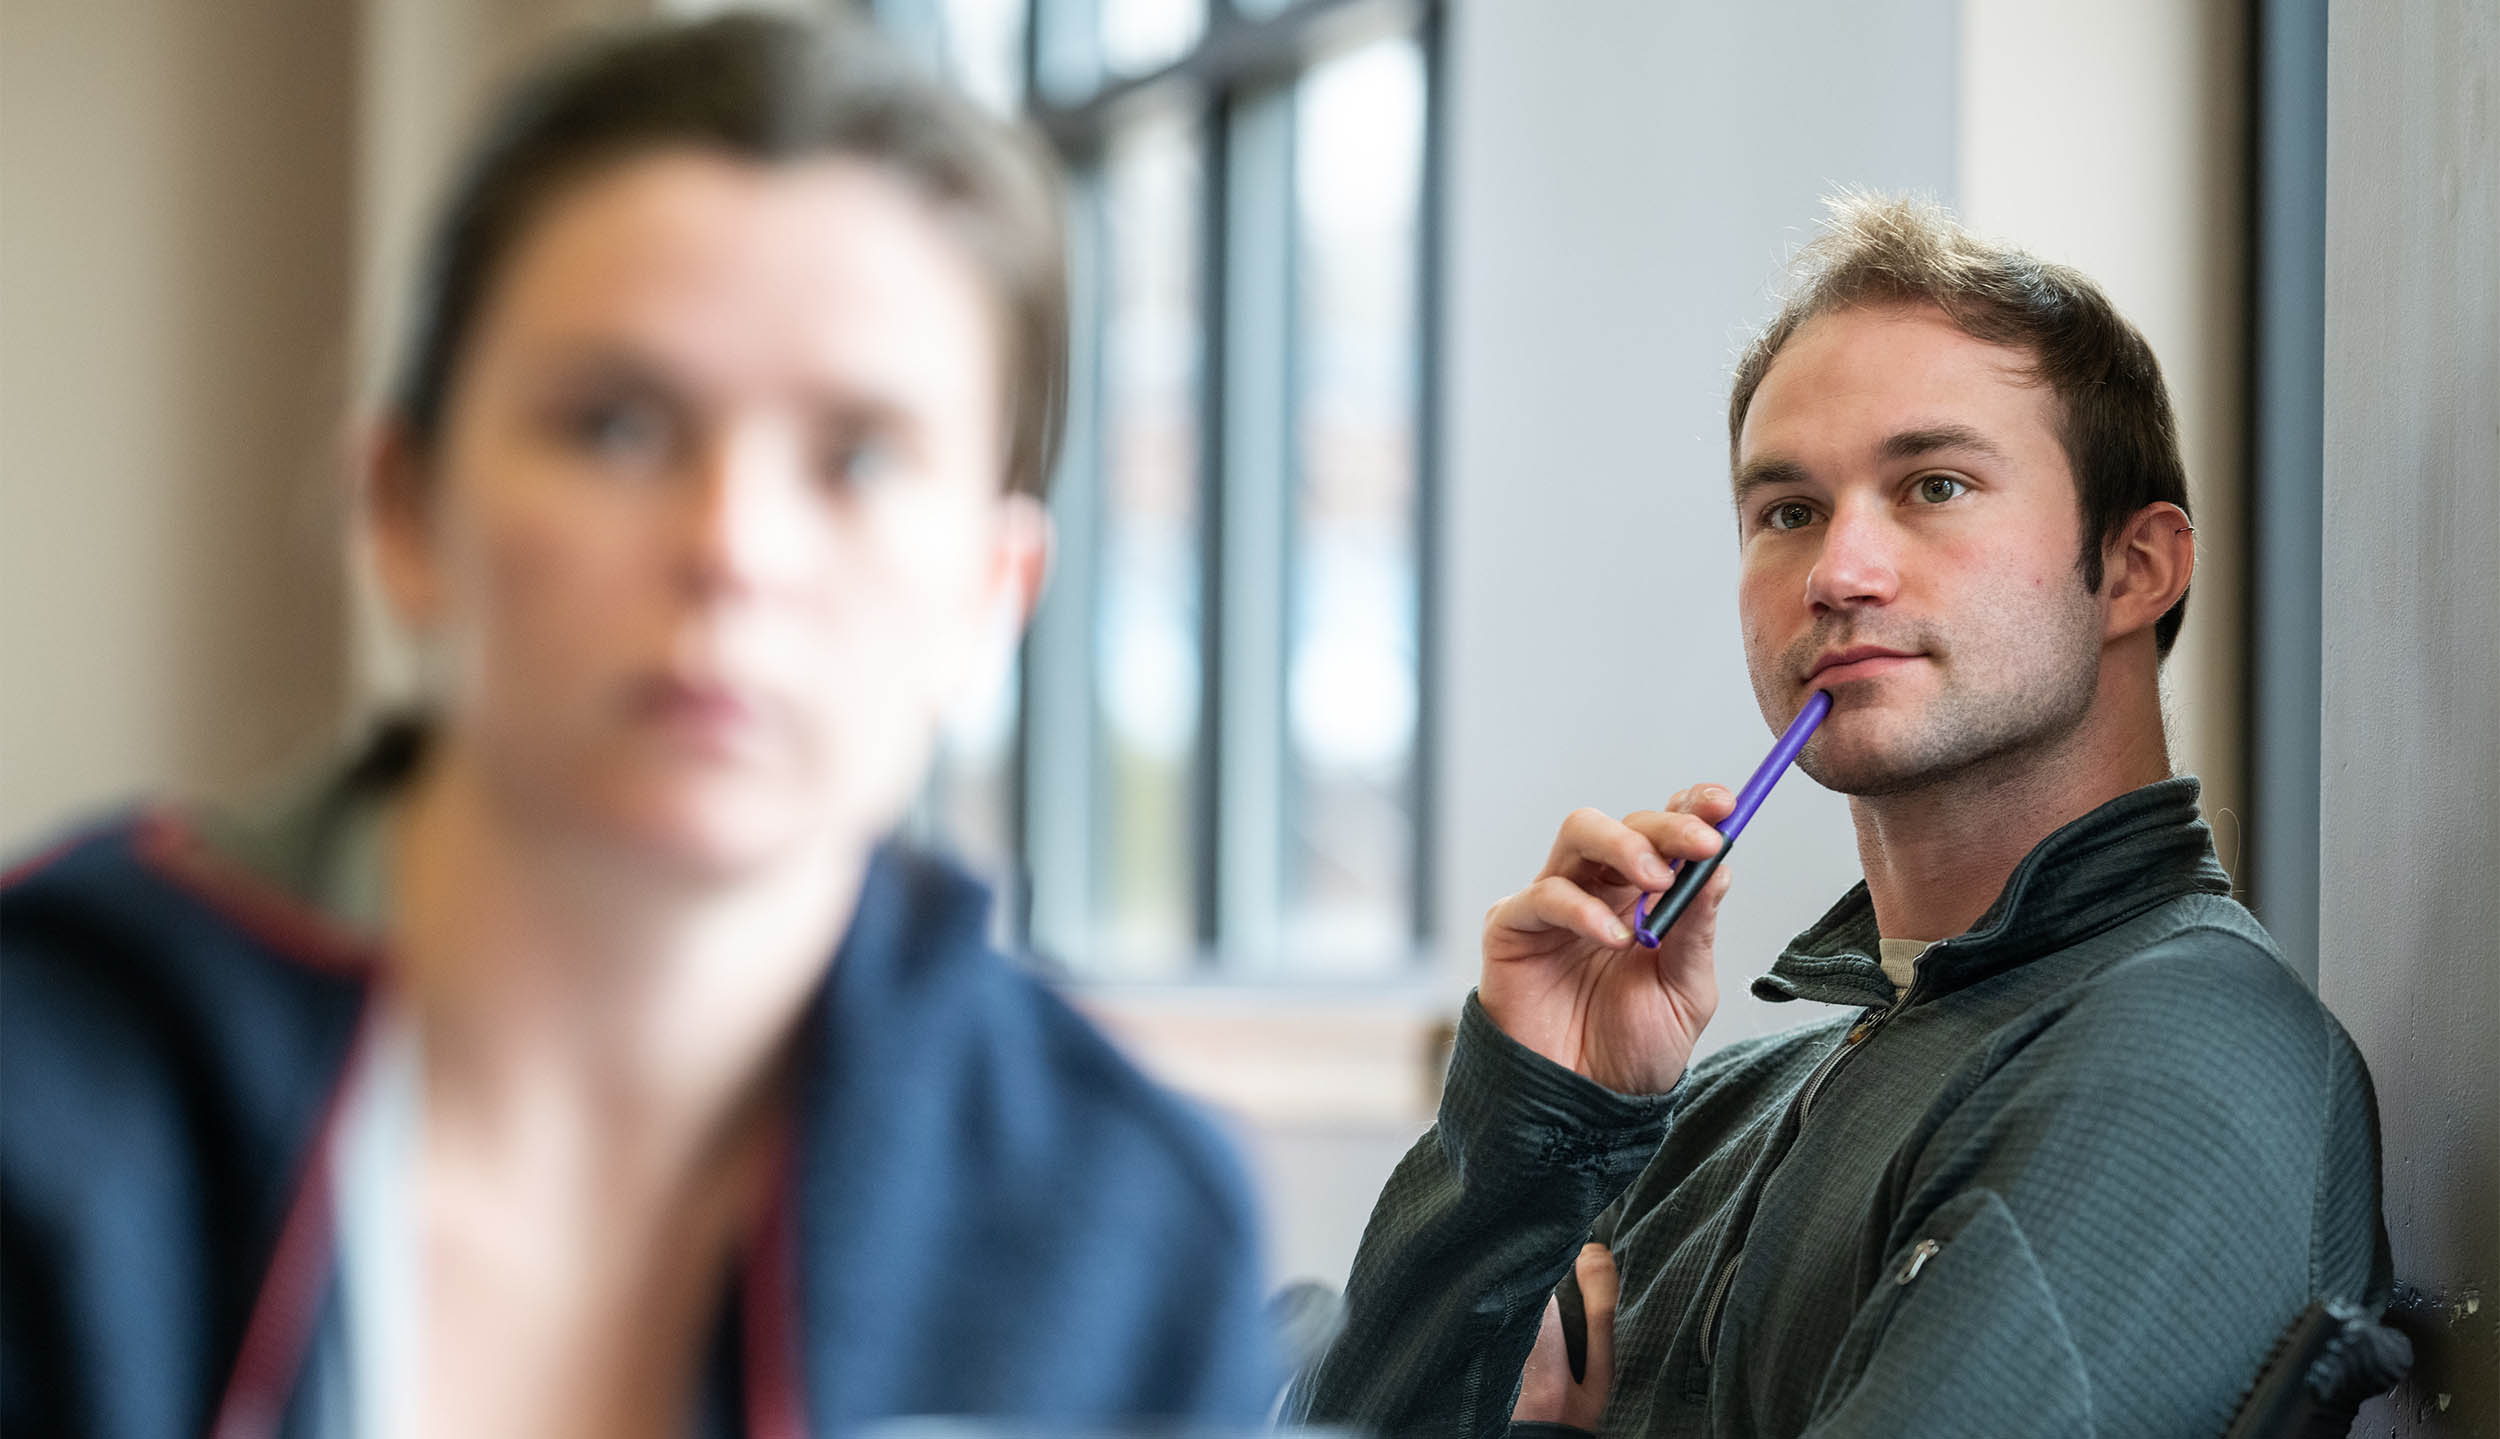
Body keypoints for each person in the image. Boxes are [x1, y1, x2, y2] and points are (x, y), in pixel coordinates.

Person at [0, 14, 1277, 1436]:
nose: (733, 544)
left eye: (856, 456)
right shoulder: (41, 1085)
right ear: (406, 508)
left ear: (992, 591)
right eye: (617, 425)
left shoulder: (1125, 1235)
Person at [1287, 194, 2392, 1438]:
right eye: (1788, 511)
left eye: (1934, 484)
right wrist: (1534, 1128)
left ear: (2134, 568)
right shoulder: (1722, 1109)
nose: (1836, 571)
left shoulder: (2182, 1057)